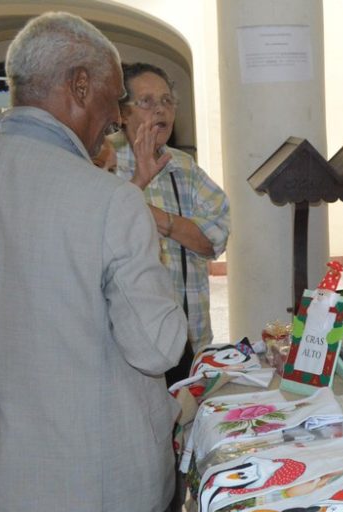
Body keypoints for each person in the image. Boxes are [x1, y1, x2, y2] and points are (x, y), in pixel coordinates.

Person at [0, 12, 187, 512]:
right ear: (78, 85)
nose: (117, 117)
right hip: (110, 481)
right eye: (113, 97)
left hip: (5, 484)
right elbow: (157, 345)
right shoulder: (108, 200)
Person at [112, 61, 231, 385]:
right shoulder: (104, 164)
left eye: (167, 100)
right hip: (132, 353)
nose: (160, 109)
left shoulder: (183, 166)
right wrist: (182, 227)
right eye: (146, 101)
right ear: (122, 114)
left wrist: (158, 219)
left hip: (192, 341)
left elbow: (215, 237)